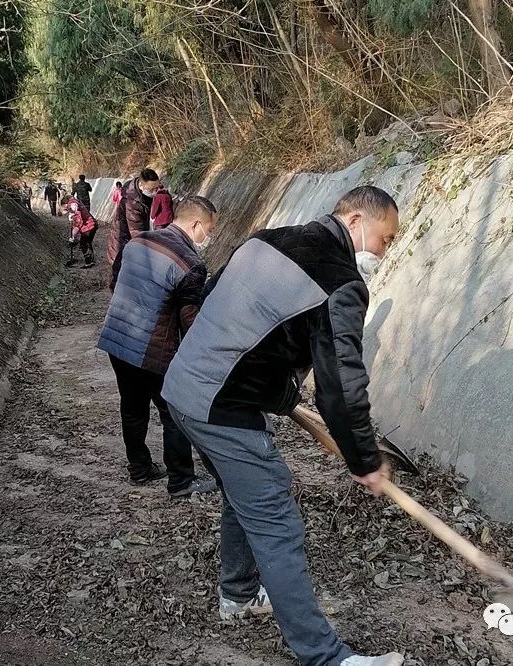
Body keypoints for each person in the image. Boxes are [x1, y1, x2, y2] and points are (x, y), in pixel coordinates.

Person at [162, 186, 404, 666]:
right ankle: (325, 656)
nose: (385, 250)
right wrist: (364, 459)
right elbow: (341, 386)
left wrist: (277, 391)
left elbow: (225, 311)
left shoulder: (267, 240)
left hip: (183, 387)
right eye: (386, 238)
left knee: (242, 494)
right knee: (275, 517)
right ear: (356, 220)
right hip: (218, 405)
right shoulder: (341, 283)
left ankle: (238, 595)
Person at [97, 196, 221, 497]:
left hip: (117, 338)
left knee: (133, 407)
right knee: (173, 411)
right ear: (195, 224)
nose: (209, 236)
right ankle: (181, 480)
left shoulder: (137, 243)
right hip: (153, 350)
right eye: (209, 229)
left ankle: (139, 469)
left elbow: (116, 282)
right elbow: (189, 319)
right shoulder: (191, 265)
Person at [107, 168, 160, 290]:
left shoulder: (140, 192)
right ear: (141, 185)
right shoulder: (132, 202)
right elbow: (137, 233)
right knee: (120, 277)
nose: (156, 192)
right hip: (122, 240)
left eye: (158, 188)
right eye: (152, 189)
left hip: (130, 240)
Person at [62, 194, 97, 268]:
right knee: (88, 243)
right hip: (93, 224)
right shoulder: (77, 202)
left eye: (65, 208)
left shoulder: (73, 205)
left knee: (83, 244)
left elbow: (78, 222)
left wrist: (73, 237)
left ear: (65, 204)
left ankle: (89, 262)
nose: (66, 210)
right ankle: (91, 260)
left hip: (88, 227)